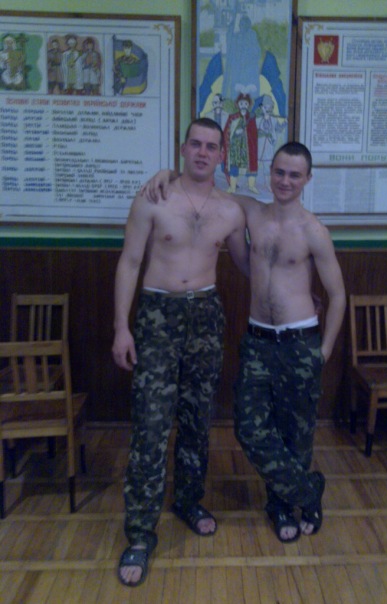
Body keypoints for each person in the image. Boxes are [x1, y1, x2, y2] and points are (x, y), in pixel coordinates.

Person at [144, 141, 346, 544]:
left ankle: (281, 506)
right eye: (279, 172)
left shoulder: (314, 231)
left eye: (294, 175)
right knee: (250, 429)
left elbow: (338, 295)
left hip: (300, 341)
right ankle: (308, 491)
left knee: (295, 434)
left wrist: (323, 351)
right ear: (270, 173)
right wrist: (169, 174)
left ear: (307, 179)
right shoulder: (251, 211)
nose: (285, 181)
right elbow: (204, 185)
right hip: (258, 342)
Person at [112, 117, 248, 587]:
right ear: (183, 148)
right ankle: (140, 532)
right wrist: (121, 328)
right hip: (157, 315)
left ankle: (188, 500)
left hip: (206, 315)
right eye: (196, 144)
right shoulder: (153, 197)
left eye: (212, 146)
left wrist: (294, 287)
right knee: (151, 425)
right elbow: (130, 262)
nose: (203, 152)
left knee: (196, 419)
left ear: (221, 154)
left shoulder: (230, 210)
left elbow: (250, 264)